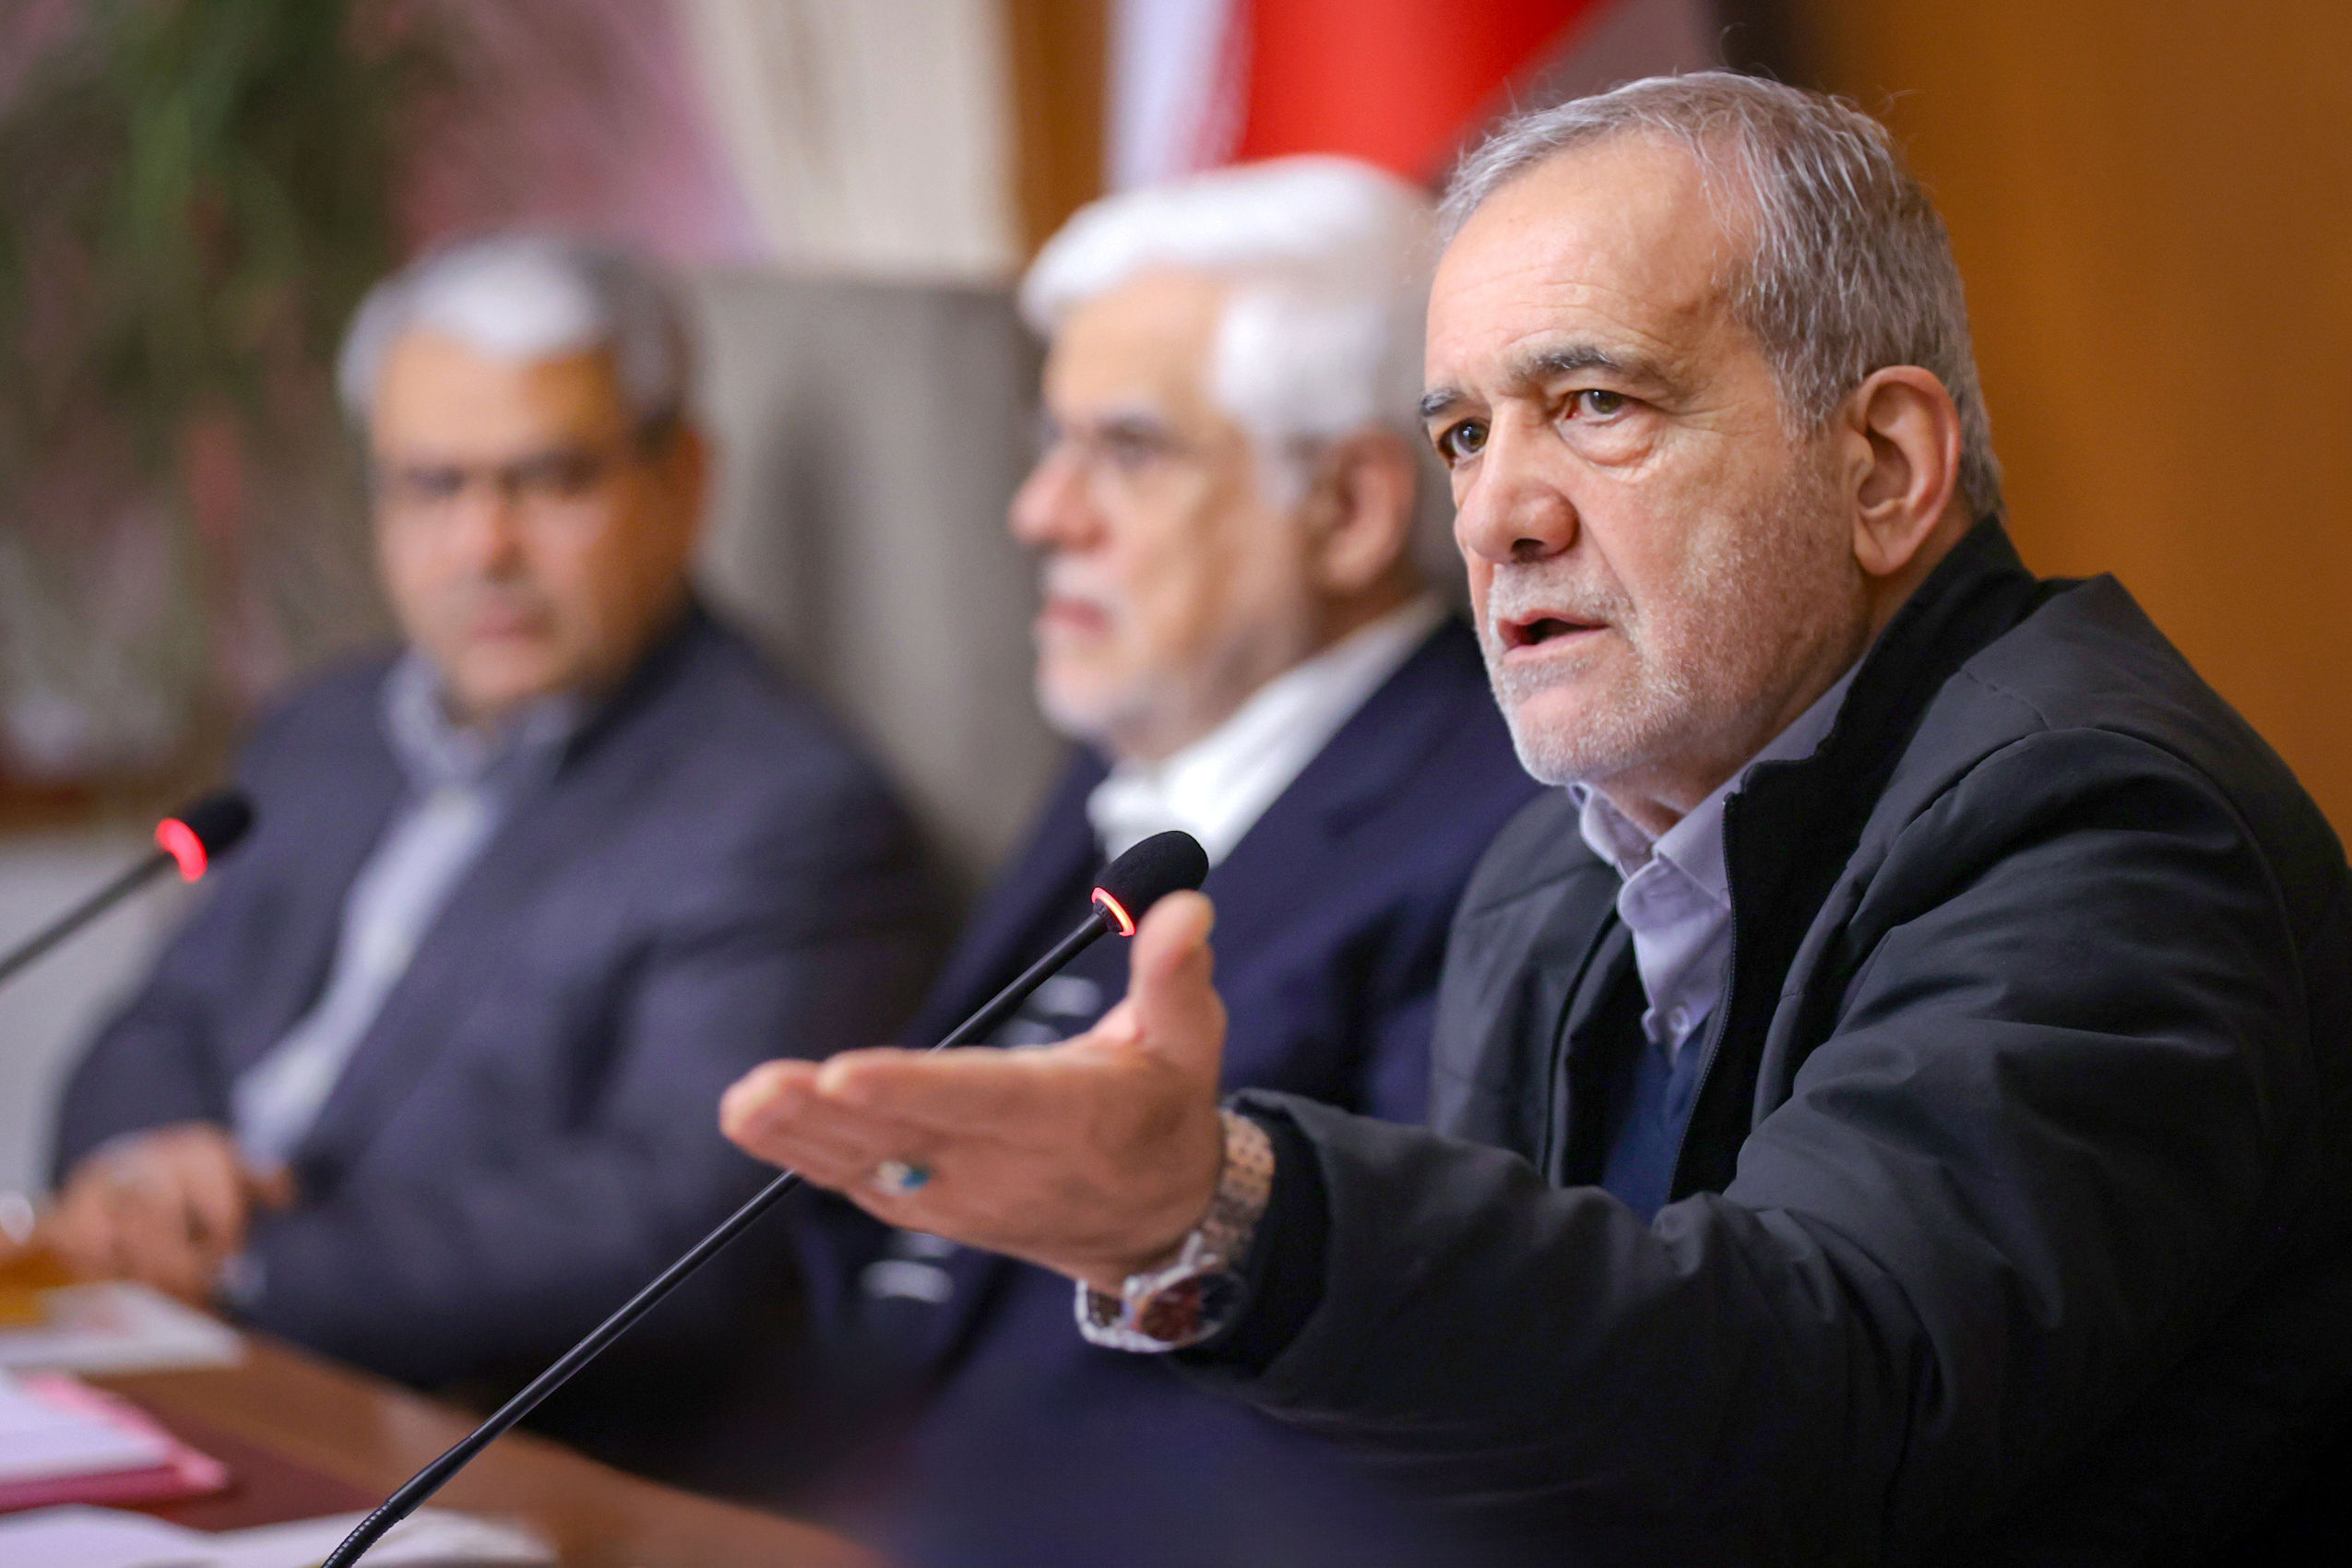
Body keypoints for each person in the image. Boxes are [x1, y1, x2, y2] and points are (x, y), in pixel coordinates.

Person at [719, 74, 2352, 1566]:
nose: (1496, 513)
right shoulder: (1548, 872)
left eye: (1593, 403)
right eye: (1461, 434)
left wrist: (1224, 1210)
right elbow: (1501, 1465)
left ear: (1879, 467)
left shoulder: (2099, 822)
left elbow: (1836, 1396)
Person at [752, 159, 1540, 1566]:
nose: (1041, 513)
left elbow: (1410, 1376)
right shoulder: (1144, 743)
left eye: (1126, 451)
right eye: (1049, 444)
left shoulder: (1503, 831)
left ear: (1348, 508)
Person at [45, 235, 939, 1449]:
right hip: (145, 1349)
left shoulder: (787, 811)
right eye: (432, 486)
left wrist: (234, 1266)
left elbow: (678, 1231)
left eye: (550, 479)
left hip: (430, 1428)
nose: (484, 548)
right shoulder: (319, 729)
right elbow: (163, 1019)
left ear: (682, 481)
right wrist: (142, 1166)